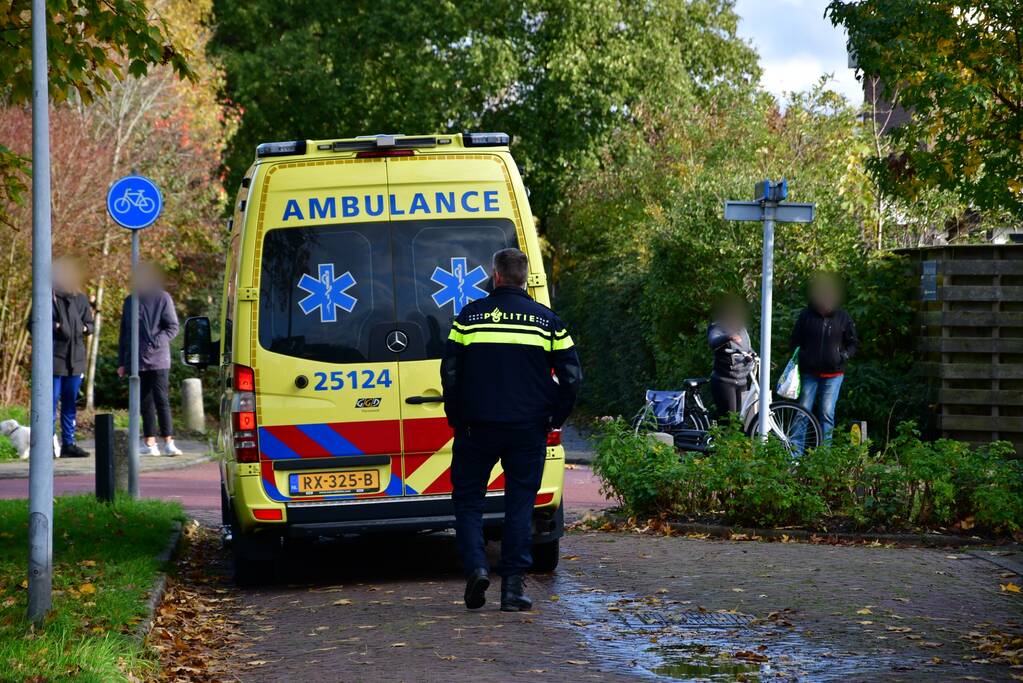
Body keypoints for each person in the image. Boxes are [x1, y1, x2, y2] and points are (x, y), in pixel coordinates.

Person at [441, 248, 582, 612]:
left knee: (468, 501)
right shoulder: (548, 321)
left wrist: (456, 415)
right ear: (524, 277)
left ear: (496, 276)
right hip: (527, 428)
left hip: (477, 427)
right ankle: (513, 590)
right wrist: (556, 416)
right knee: (520, 504)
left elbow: (450, 371)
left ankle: (476, 568)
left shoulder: (469, 318)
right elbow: (571, 376)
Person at [118, 262, 182, 456]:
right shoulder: (130, 301)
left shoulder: (163, 298)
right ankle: (149, 443)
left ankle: (169, 442)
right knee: (144, 402)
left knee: (161, 399)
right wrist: (121, 362)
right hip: (137, 360)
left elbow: (172, 327)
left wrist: (155, 342)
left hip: (158, 359)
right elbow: (124, 333)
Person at [789, 273, 858, 441]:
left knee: (827, 414)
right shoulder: (806, 315)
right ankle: (796, 456)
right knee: (802, 413)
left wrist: (843, 356)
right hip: (809, 373)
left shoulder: (843, 317)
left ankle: (824, 457)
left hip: (834, 374)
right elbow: (794, 341)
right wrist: (803, 357)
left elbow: (853, 343)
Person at [51, 257, 94, 458]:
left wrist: (82, 328)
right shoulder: (48, 297)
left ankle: (69, 443)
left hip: (75, 359)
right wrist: (57, 327)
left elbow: (90, 324)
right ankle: (49, 443)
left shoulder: (81, 298)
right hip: (54, 359)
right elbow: (35, 324)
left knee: (70, 403)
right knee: (49, 403)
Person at [707, 294, 754, 420]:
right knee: (729, 420)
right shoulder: (717, 327)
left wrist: (752, 355)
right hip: (725, 381)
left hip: (742, 379)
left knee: (740, 420)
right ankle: (720, 438)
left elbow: (747, 347)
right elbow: (713, 342)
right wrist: (729, 337)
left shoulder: (742, 329)